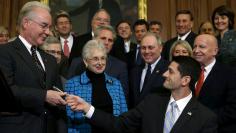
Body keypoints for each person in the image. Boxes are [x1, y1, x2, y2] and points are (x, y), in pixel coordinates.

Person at [66, 56, 218, 133]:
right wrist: (87, 108)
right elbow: (119, 124)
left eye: (170, 71)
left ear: (185, 80)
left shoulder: (206, 118)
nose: (164, 74)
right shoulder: (152, 102)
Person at [0, 1, 67, 133]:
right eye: (44, 26)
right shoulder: (4, 52)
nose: (48, 32)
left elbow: (58, 98)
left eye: (49, 27)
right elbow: (7, 92)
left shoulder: (51, 60)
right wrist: (44, 96)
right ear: (26, 23)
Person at [65, 39, 128, 133]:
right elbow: (69, 119)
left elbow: (124, 116)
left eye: (103, 58)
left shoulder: (115, 83)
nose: (100, 63)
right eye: (95, 58)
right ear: (86, 61)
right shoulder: (72, 84)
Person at [68, 25, 129, 101]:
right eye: (103, 38)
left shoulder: (120, 66)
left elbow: (122, 97)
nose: (106, 42)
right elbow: (69, 92)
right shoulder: (77, 62)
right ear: (94, 39)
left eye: (110, 40)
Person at [193, 34, 236, 133]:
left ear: (215, 51)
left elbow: (232, 109)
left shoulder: (229, 74)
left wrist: (203, 119)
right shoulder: (189, 71)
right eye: (194, 46)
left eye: (201, 47)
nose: (196, 50)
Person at [129, 32, 170, 108]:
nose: (146, 51)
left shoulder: (169, 69)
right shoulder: (134, 71)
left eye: (150, 47)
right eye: (143, 48)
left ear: (160, 48)